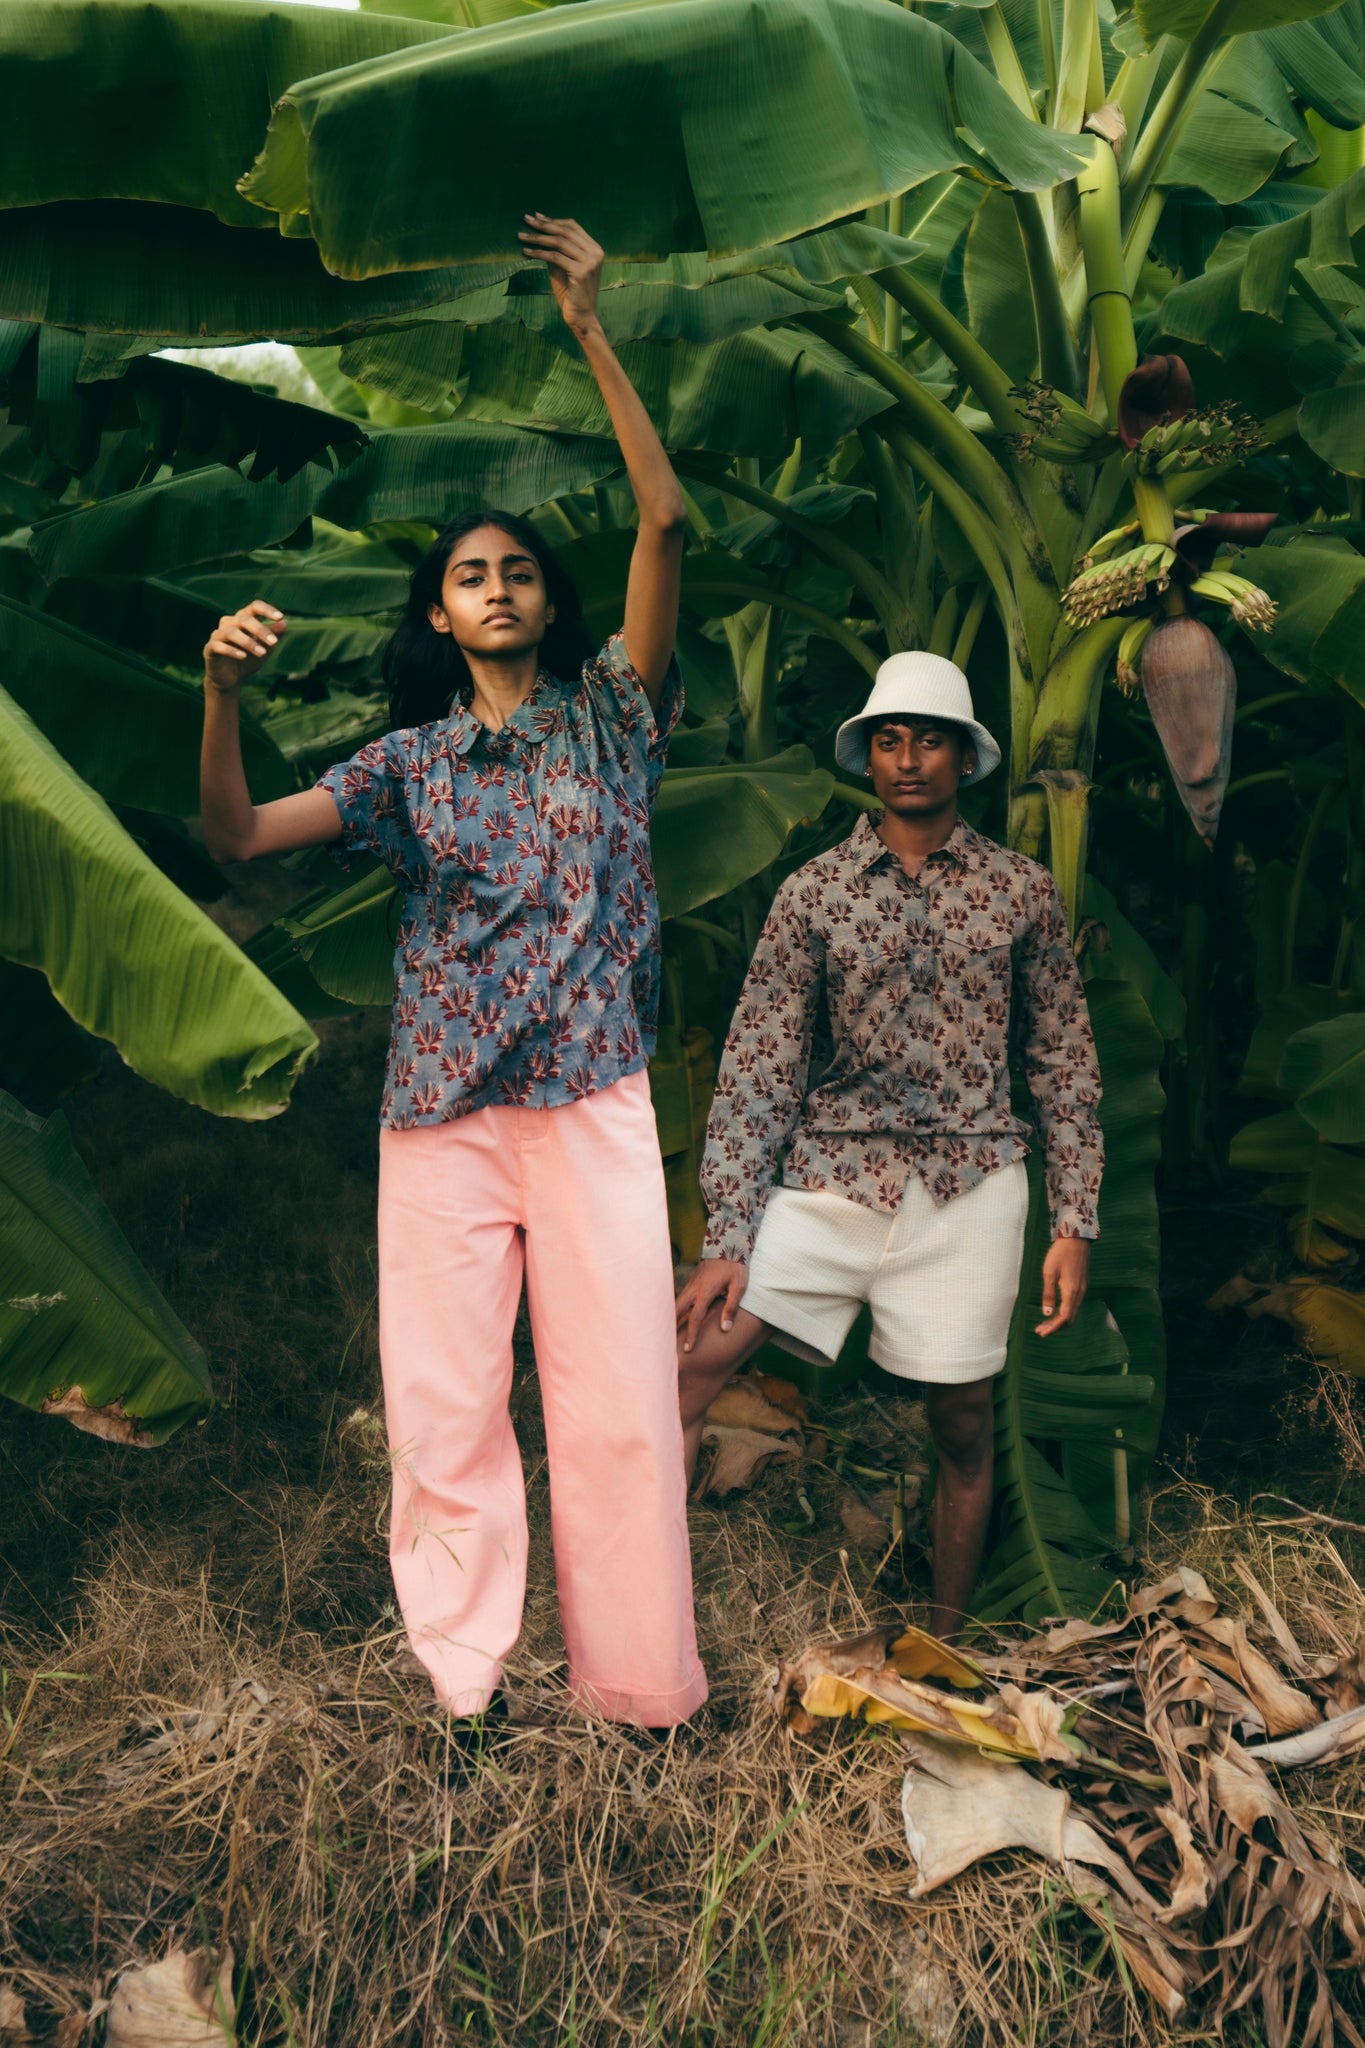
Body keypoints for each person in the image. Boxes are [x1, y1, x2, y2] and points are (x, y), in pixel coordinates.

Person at [199, 216, 706, 1730]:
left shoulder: (616, 713)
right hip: (438, 1117)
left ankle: (639, 1692)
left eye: (521, 572)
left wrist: (593, 331)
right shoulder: (407, 767)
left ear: (550, 605)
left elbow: (666, 527)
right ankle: (464, 1688)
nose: (498, 586)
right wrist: (220, 694)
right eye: (470, 574)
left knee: (617, 1407)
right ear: (438, 611)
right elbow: (234, 838)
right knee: (444, 1412)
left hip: (591, 1101)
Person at [675, 653, 1103, 1638]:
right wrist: (731, 1232)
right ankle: (666, 1619)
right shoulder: (813, 893)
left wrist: (1074, 1218)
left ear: (964, 755)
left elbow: (1065, 1060)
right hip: (832, 1179)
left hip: (970, 1188)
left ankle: (942, 1646)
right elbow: (758, 1068)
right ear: (869, 754)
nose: (909, 758)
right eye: (890, 738)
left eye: (931, 738)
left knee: (961, 1425)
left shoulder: (1019, 891)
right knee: (687, 1365)